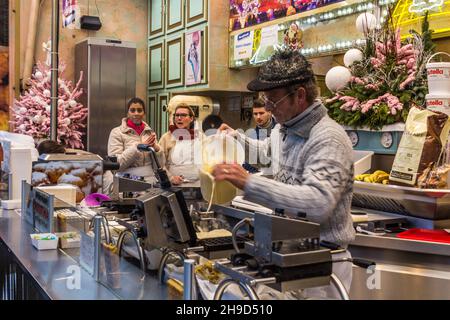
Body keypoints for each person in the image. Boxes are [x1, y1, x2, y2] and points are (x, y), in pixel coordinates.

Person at [212, 50, 355, 299]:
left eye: (272, 100)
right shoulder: (284, 129)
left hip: (322, 264)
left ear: (299, 95)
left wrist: (248, 182)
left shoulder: (328, 138)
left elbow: (318, 203)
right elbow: (265, 155)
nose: (266, 107)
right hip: (290, 254)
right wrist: (237, 139)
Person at [107, 97, 162, 184]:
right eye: (132, 110)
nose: (136, 113)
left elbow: (159, 166)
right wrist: (137, 147)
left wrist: (157, 149)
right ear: (127, 113)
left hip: (150, 181)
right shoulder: (117, 133)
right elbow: (116, 165)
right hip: (127, 182)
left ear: (144, 113)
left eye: (139, 110)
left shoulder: (149, 133)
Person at [159, 103, 201, 185]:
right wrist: (170, 178)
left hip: (198, 184)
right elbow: (158, 163)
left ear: (191, 118)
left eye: (183, 115)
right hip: (175, 186)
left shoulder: (200, 136)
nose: (179, 118)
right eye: (177, 115)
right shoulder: (166, 138)